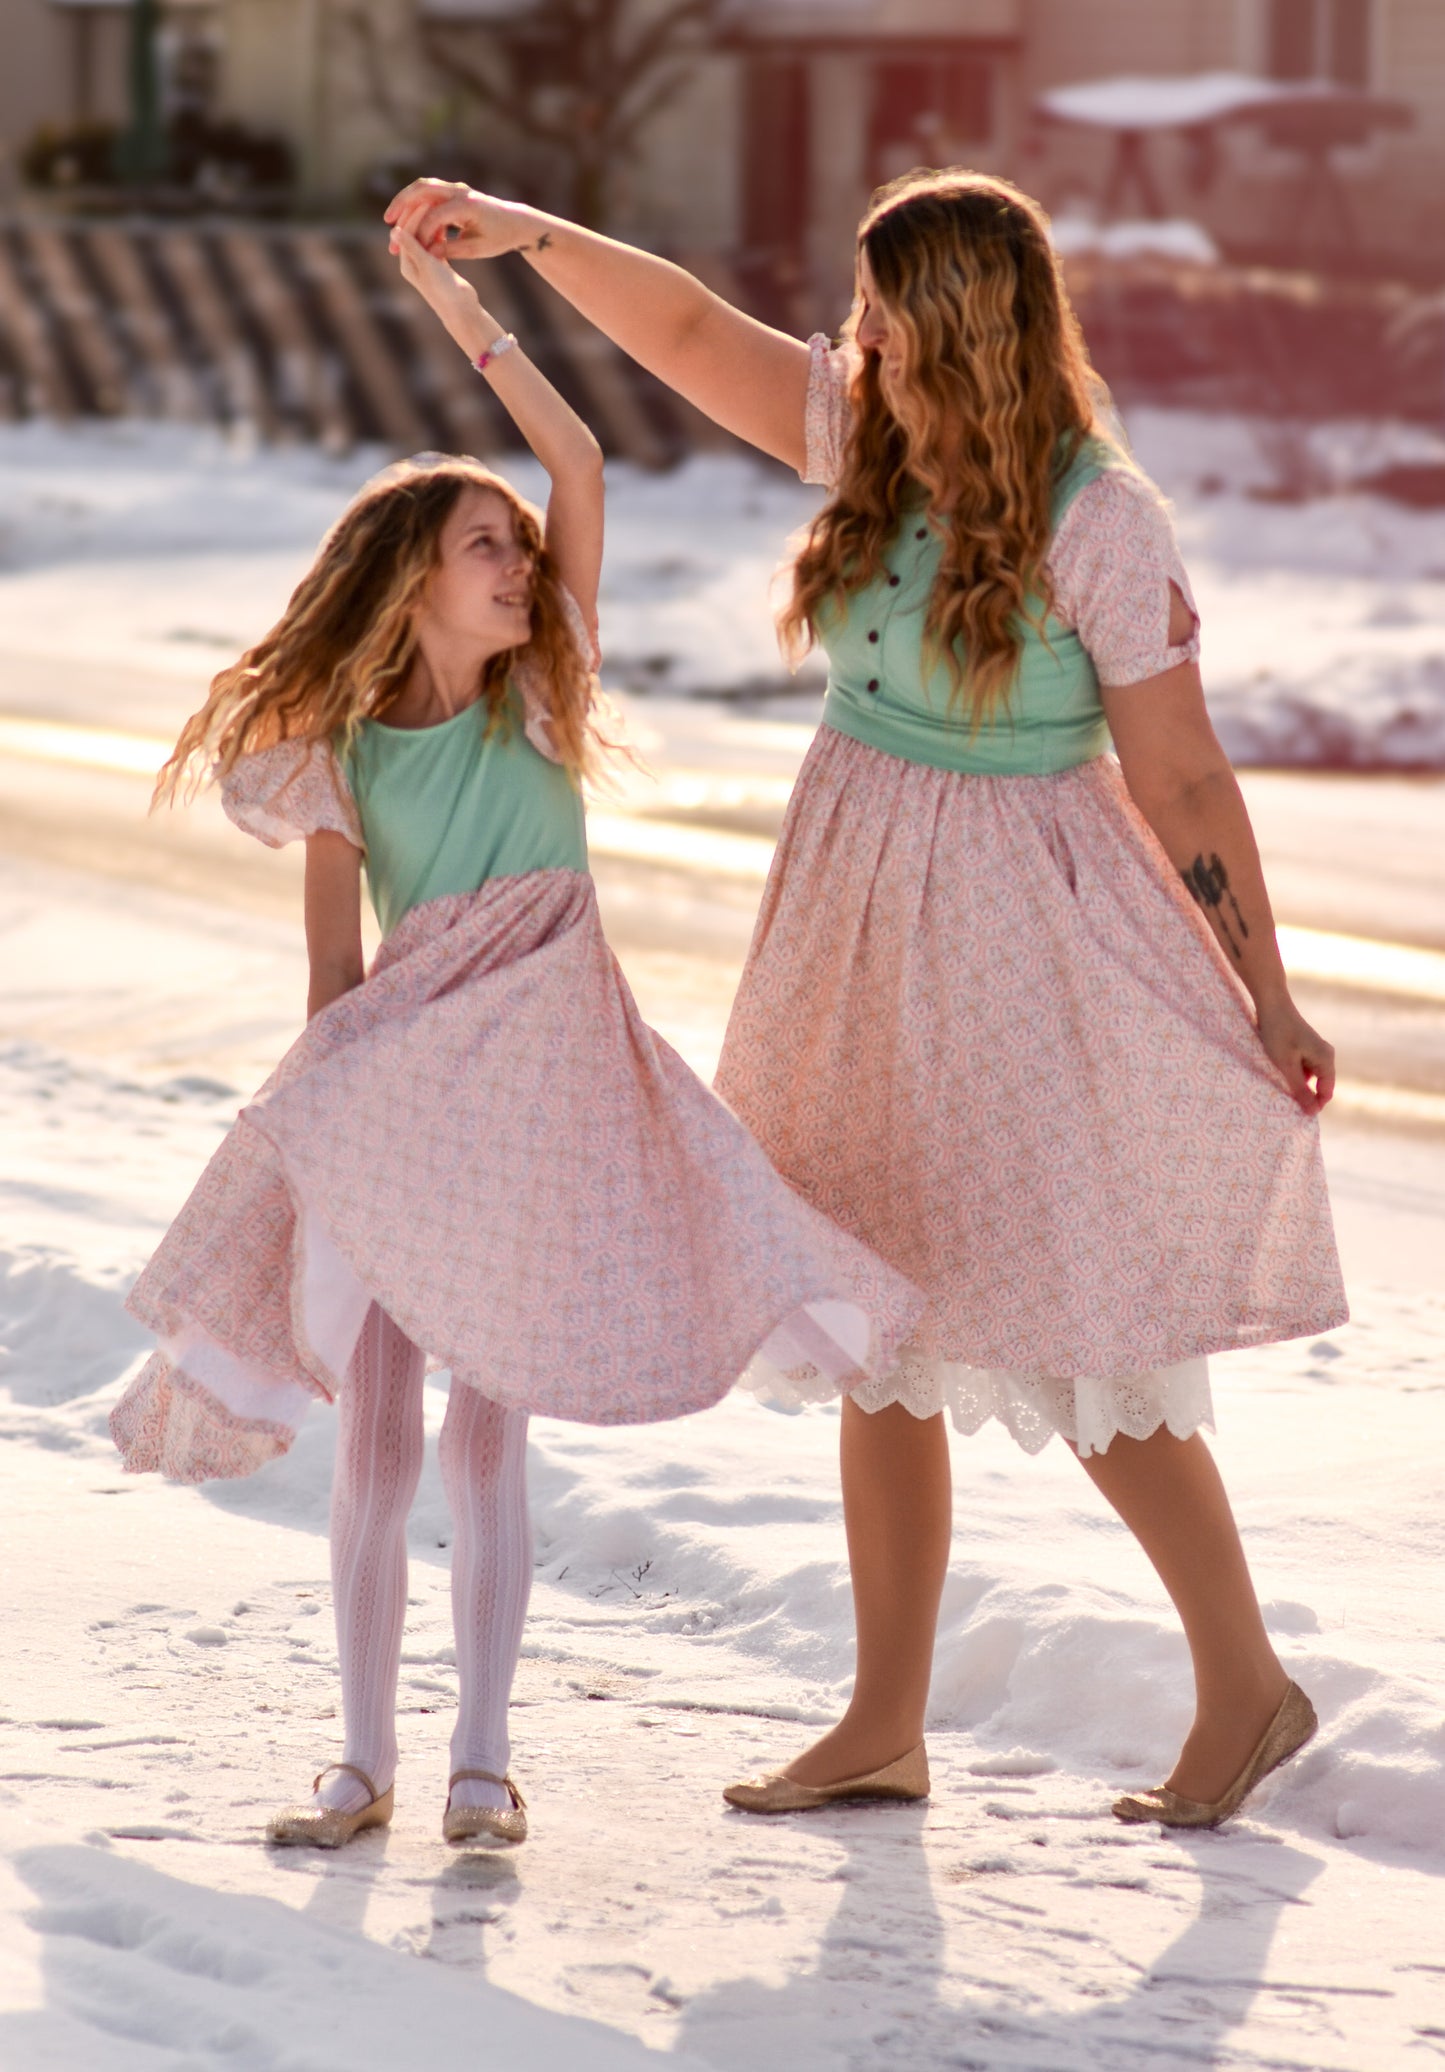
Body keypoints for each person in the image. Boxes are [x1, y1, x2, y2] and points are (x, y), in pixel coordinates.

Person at [382, 167, 1347, 1831]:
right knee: (875, 1324)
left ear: (968, 327)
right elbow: (684, 326)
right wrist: (523, 233)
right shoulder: (866, 434)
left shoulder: (1100, 520)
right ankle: (882, 1723)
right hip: (856, 917)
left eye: (890, 315)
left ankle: (1245, 1683)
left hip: (1024, 944)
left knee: (1075, 1328)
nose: (860, 338)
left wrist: (1265, 998)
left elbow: (1183, 782)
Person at [109, 220, 922, 1853]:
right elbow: (337, 990)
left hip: (544, 1098)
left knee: (491, 1433)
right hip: (411, 1096)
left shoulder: (541, 693)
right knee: (381, 1441)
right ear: (411, 579)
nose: (514, 562)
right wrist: (326, 1151)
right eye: (483, 545)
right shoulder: (336, 750)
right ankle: (360, 1765)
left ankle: (480, 1763)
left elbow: (578, 451)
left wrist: (455, 303)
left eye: (513, 544)